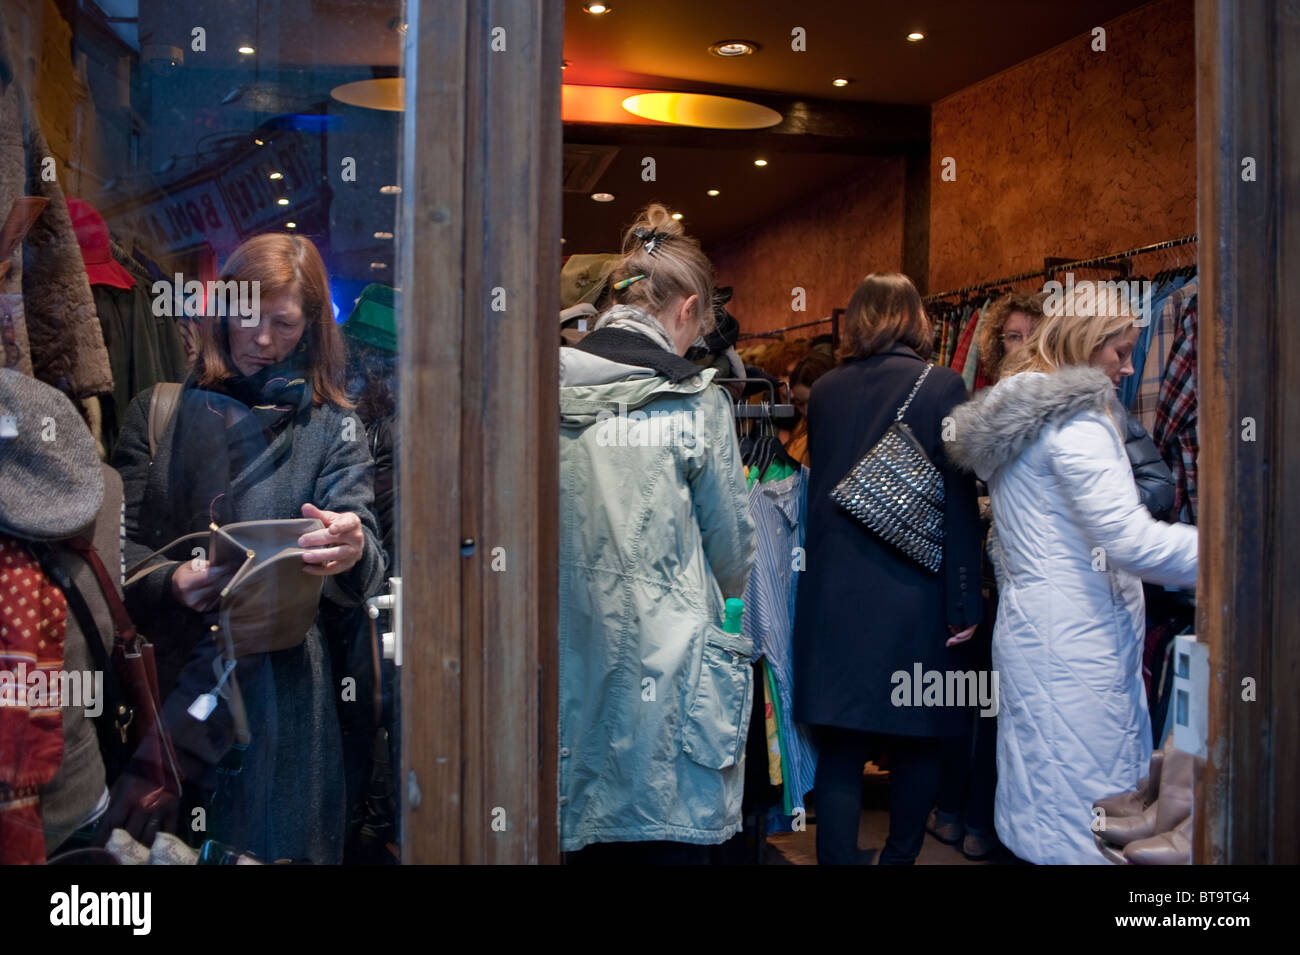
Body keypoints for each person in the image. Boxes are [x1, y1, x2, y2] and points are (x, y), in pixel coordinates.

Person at [112, 233, 385, 863]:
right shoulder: (159, 410)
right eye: (249, 314)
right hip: (176, 688)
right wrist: (170, 580)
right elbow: (113, 548)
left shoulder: (331, 425)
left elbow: (366, 547)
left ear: (312, 329)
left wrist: (348, 549)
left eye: (284, 323)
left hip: (283, 697)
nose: (262, 339)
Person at [946, 287, 1197, 864]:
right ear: (1087, 341)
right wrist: (1227, 557)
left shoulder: (1020, 412)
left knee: (1044, 790)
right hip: (1080, 641)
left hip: (1040, 630)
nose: (1129, 367)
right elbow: (1129, 540)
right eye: (1121, 351)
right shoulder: (1076, 422)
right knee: (1086, 816)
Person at [558, 203, 755, 864]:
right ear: (687, 308)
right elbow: (732, 554)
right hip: (668, 703)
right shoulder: (698, 401)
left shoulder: (539, 389)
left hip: (559, 699)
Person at [792, 272, 984, 865]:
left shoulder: (824, 391)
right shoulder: (945, 386)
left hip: (833, 595)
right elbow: (956, 505)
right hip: (914, 595)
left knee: (842, 746)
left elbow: (819, 490)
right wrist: (965, 602)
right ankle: (898, 860)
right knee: (918, 740)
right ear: (916, 318)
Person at [785, 349, 836, 467]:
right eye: (800, 403)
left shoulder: (839, 436)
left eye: (814, 401)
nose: (807, 411)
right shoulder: (800, 432)